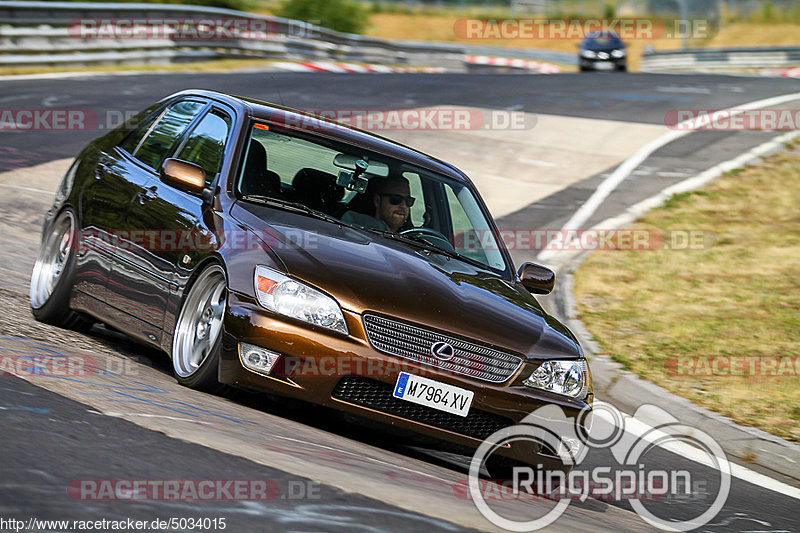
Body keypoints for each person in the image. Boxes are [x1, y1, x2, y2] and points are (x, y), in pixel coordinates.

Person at [341, 175, 415, 233]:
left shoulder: (417, 240)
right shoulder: (354, 227)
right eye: (396, 199)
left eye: (408, 201)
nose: (403, 205)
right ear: (377, 201)